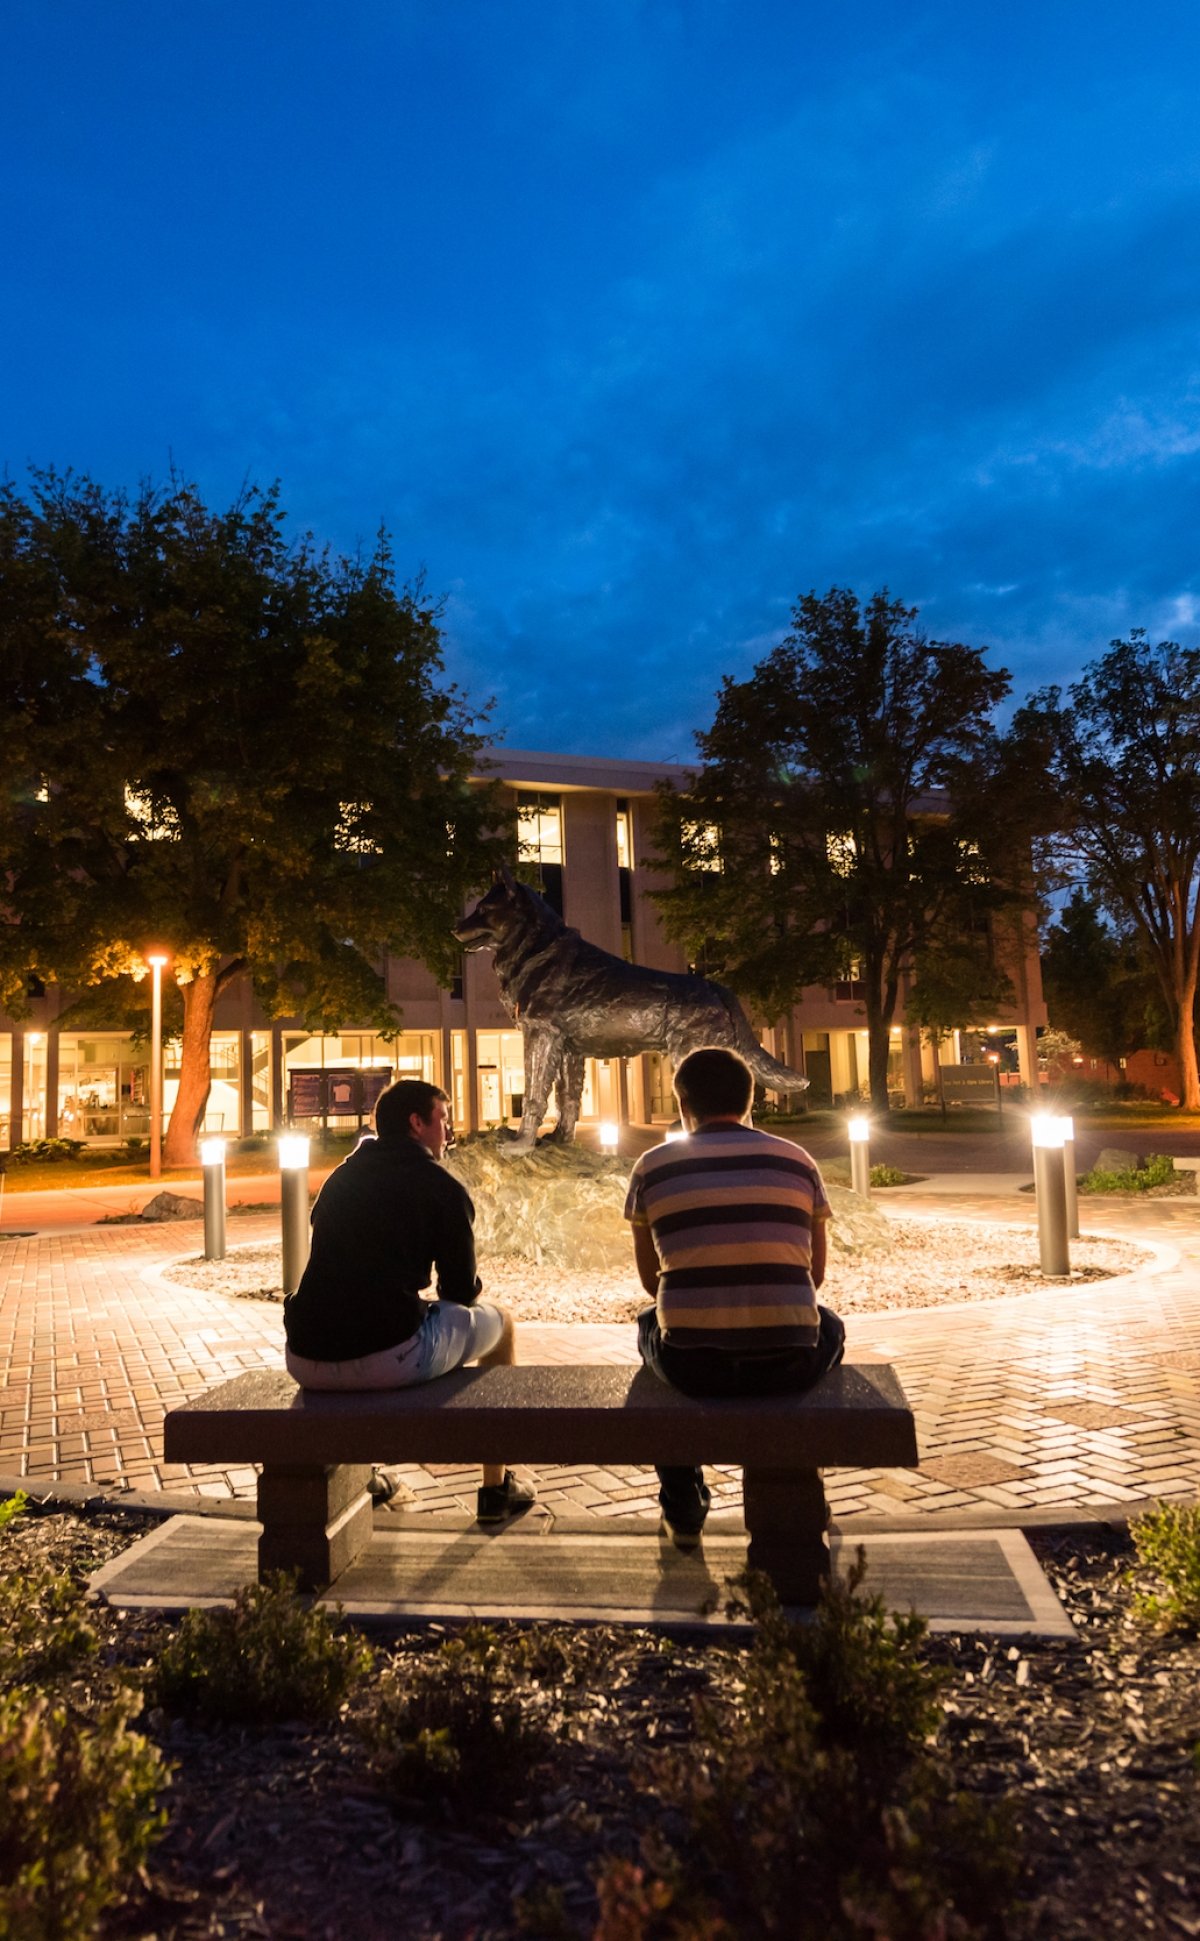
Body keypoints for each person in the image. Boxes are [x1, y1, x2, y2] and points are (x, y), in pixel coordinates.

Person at [283, 1077, 534, 1524]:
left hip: (305, 1353)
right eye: (443, 1118)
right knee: (503, 1326)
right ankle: (497, 1489)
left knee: (365, 1318)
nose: (449, 1131)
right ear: (417, 1123)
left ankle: (371, 1476)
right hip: (386, 1356)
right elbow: (458, 1293)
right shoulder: (440, 1187)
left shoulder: (341, 1178)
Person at [624, 1045, 845, 1546]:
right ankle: (800, 1486)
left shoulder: (652, 1166)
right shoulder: (797, 1160)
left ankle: (683, 1504)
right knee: (826, 1325)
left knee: (648, 1326)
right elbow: (814, 1274)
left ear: (683, 1106)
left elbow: (649, 1281)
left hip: (693, 1363)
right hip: (788, 1359)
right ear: (751, 1101)